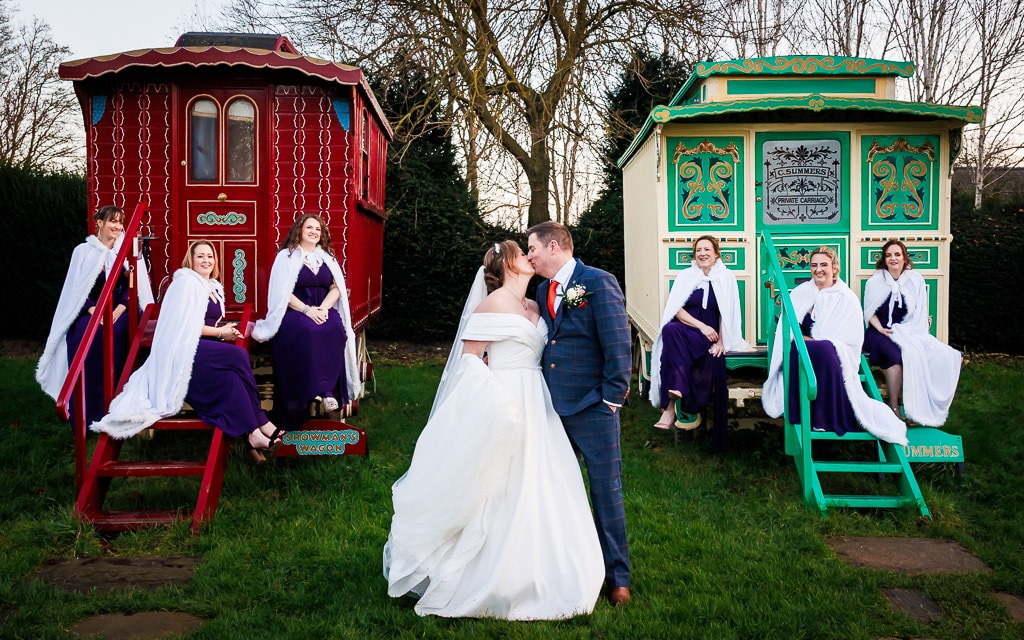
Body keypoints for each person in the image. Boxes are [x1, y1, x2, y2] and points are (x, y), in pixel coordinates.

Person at [384, 240, 603, 619]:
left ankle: (557, 569)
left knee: (547, 480)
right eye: (523, 253)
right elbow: (469, 362)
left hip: (540, 402)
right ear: (508, 265)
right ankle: (494, 576)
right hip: (505, 399)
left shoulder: (535, 304)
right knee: (501, 487)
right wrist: (498, 404)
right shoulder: (491, 304)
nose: (530, 257)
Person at [92, 240, 285, 462]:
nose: (206, 260)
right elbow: (184, 324)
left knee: (232, 378)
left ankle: (252, 434)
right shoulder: (185, 283)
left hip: (201, 346)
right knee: (238, 355)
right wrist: (221, 333)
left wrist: (223, 331)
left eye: (210, 256)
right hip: (183, 347)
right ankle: (262, 421)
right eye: (200, 256)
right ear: (190, 260)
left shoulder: (211, 286)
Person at [526, 221, 633, 607]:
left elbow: (619, 344)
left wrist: (611, 399)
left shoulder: (598, 281)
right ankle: (574, 569)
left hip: (593, 407)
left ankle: (619, 578)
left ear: (554, 246)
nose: (529, 256)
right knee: (560, 493)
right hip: (552, 410)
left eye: (533, 249)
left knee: (606, 491)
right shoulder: (541, 289)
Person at [762, 247, 907, 446]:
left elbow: (849, 338)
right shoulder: (800, 293)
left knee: (823, 349)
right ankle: (803, 415)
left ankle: (825, 418)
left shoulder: (846, 297)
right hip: (799, 349)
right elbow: (786, 329)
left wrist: (814, 341)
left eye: (823, 265)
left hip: (833, 352)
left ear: (834, 268)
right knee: (805, 350)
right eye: (814, 265)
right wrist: (803, 339)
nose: (818, 269)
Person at [37, 205, 154, 428]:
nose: (118, 226)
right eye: (113, 221)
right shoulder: (83, 251)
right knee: (83, 335)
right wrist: (93, 310)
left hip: (123, 309)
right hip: (90, 308)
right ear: (99, 223)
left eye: (121, 222)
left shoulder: (126, 250)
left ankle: (116, 404)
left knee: (118, 335)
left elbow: (134, 287)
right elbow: (76, 288)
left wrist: (119, 310)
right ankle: (87, 410)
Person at [252, 214, 360, 426]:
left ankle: (328, 393)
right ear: (299, 230)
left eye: (318, 229)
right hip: (295, 311)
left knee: (336, 329)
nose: (314, 232)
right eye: (309, 227)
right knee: (308, 331)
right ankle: (312, 391)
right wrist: (307, 310)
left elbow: (336, 287)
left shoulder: (327, 258)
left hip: (322, 309)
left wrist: (323, 308)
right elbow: (281, 293)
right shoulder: (286, 257)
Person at [649, 235, 752, 450]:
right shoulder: (686, 276)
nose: (702, 253)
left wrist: (722, 342)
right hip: (693, 330)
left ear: (716, 253)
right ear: (694, 255)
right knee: (670, 330)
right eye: (698, 250)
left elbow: (728, 313)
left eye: (707, 249)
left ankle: (670, 406)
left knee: (674, 349)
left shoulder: (726, 277)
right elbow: (676, 310)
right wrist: (701, 326)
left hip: (714, 335)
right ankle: (674, 395)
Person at [862, 239, 961, 426]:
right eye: (889, 255)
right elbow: (869, 313)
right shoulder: (875, 281)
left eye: (897, 254)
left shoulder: (915, 280)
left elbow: (920, 312)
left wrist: (908, 333)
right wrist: (881, 329)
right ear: (884, 259)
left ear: (904, 258)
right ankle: (894, 406)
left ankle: (917, 409)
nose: (893, 258)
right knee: (895, 356)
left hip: (906, 330)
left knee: (929, 354)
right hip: (878, 332)